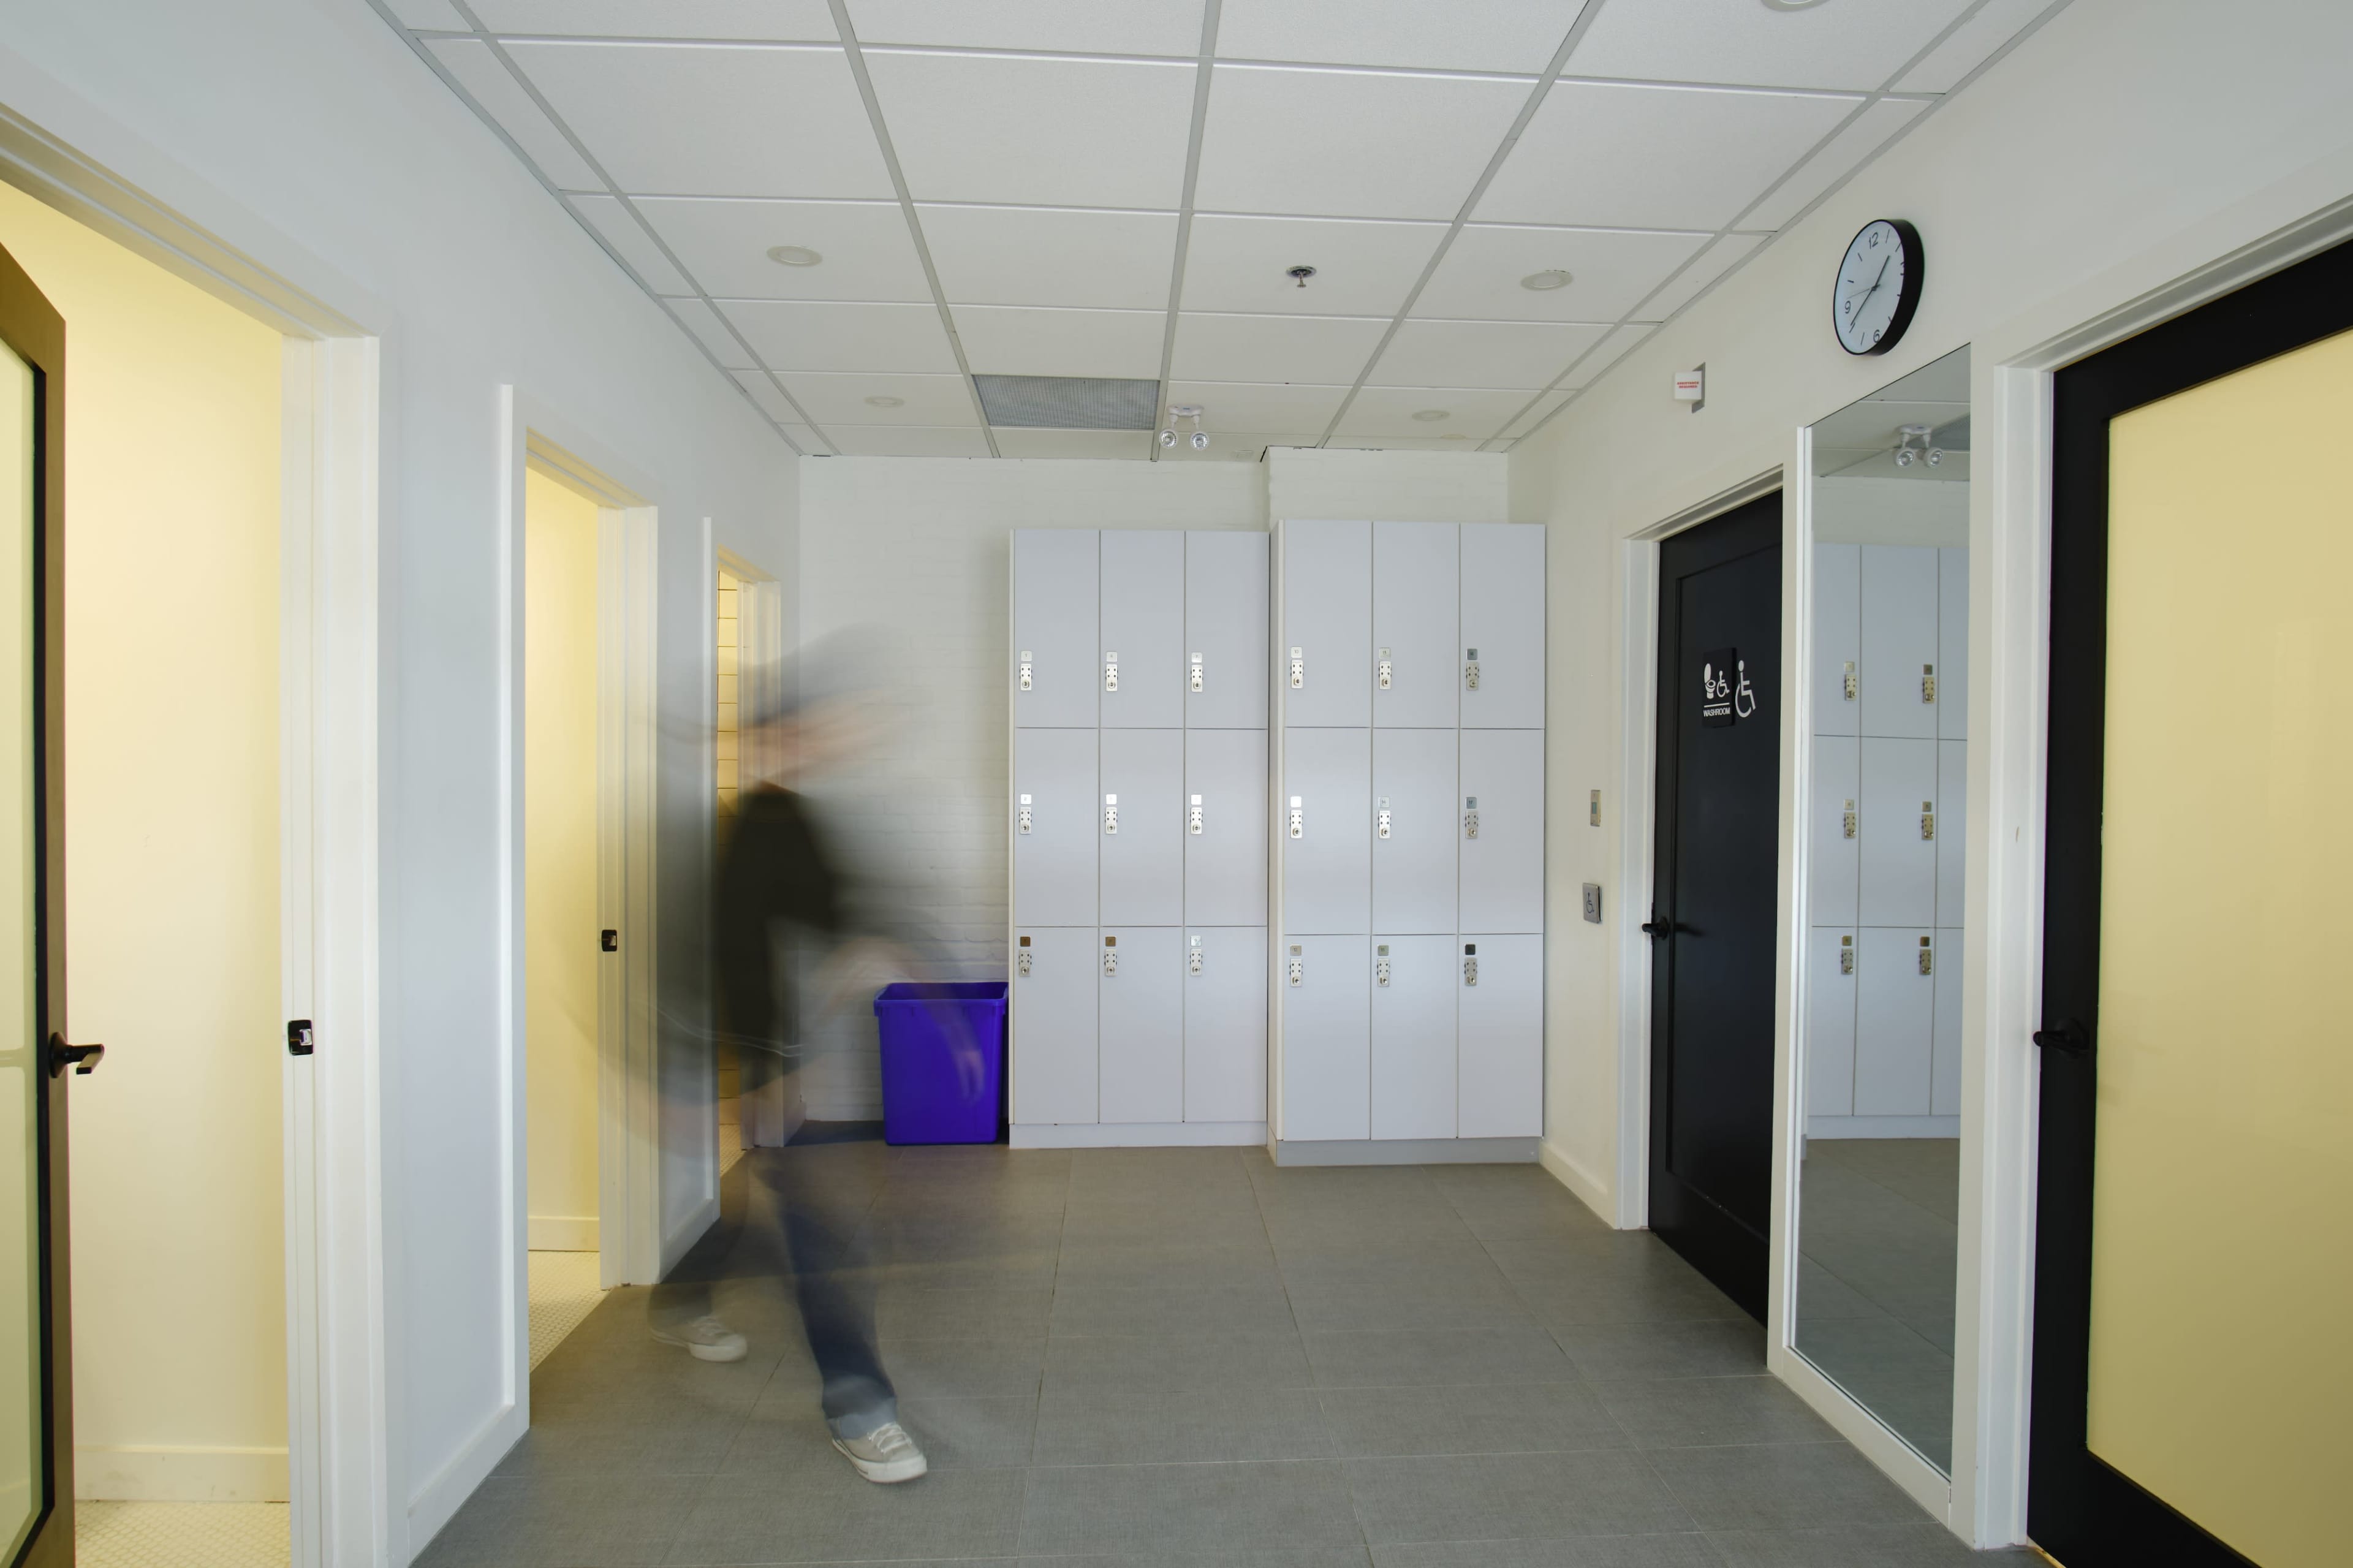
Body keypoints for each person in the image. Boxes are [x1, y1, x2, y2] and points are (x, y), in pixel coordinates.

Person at [645, 685, 928, 1485]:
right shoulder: (728, 829)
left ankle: (680, 1297)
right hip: (722, 1049)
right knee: (815, 1229)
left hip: (766, 1051)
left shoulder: (792, 818)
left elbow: (836, 918)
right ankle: (860, 1405)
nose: (825, 742)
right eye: (805, 731)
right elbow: (703, 960)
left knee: (759, 1200)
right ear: (765, 739)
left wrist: (882, 962)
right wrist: (712, 1076)